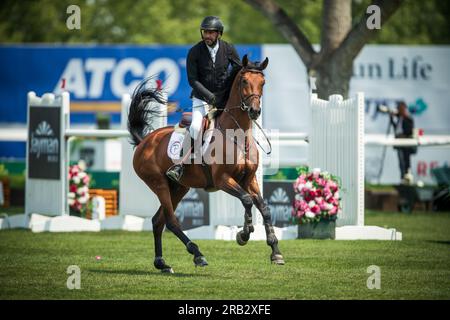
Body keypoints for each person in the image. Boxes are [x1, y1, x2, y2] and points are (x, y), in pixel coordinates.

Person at [166, 16, 241, 182]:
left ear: (219, 34)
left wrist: (226, 88)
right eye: (205, 32)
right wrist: (210, 96)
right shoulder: (194, 51)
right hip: (202, 99)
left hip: (224, 100)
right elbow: (192, 80)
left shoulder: (228, 49)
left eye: (211, 33)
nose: (207, 35)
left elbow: (238, 69)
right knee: (194, 127)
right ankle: (181, 163)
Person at [390, 101, 416, 182]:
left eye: (400, 108)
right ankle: (402, 177)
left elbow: (409, 131)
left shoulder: (408, 118)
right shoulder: (399, 118)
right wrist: (391, 117)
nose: (398, 110)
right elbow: (396, 128)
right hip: (398, 141)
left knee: (406, 160)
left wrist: (403, 136)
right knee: (401, 161)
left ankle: (407, 176)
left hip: (406, 143)